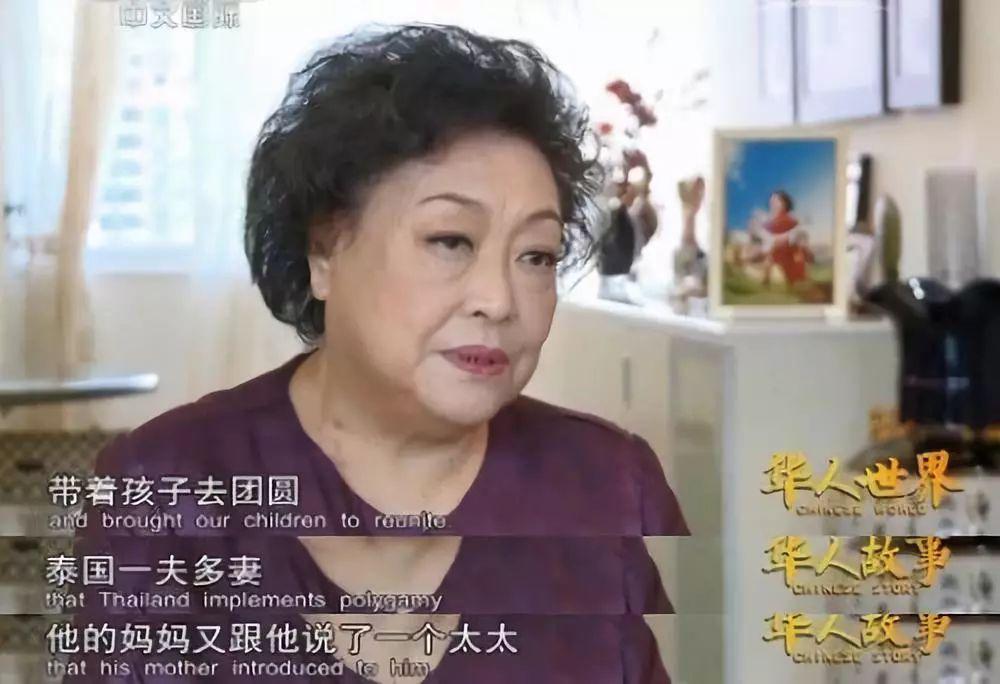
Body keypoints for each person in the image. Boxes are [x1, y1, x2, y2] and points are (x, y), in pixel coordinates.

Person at [66, 23, 688, 683]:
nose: (499, 300)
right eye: (450, 240)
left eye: (536, 255)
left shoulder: (604, 483)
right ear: (324, 254)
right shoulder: (167, 488)